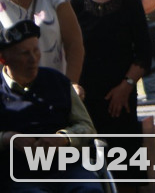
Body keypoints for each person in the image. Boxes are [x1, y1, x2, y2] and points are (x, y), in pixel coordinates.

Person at [70, 0, 151, 186]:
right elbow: (68, 49)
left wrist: (126, 86)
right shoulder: (73, 3)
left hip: (122, 98)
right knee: (89, 171)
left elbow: (144, 53)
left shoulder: (130, 1)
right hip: (85, 99)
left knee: (126, 171)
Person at [0, 20, 103, 192]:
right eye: (24, 54)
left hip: (67, 167)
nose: (33, 59)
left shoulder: (58, 82)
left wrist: (64, 138)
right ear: (4, 59)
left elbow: (86, 127)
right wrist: (7, 138)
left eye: (36, 50)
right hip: (18, 173)